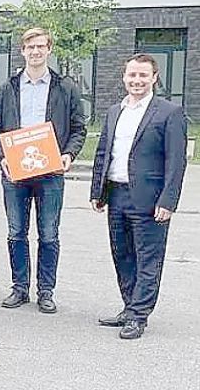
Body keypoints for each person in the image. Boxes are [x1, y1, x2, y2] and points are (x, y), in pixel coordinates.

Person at [0, 27, 86, 313]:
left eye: (40, 46)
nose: (35, 52)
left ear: (49, 50)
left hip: (51, 173)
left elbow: (79, 128)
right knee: (16, 232)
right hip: (15, 173)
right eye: (30, 47)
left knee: (49, 234)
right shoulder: (8, 87)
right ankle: (19, 288)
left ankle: (45, 291)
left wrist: (69, 154)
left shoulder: (64, 87)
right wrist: (1, 158)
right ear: (23, 51)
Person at [90, 53, 187, 340]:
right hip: (117, 194)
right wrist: (98, 191)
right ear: (124, 77)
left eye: (143, 75)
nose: (137, 80)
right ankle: (128, 306)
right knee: (122, 254)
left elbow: (176, 161)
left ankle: (139, 315)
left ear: (154, 78)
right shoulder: (114, 111)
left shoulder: (169, 112)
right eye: (132, 75)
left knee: (148, 257)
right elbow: (103, 153)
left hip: (150, 199)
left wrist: (168, 201)